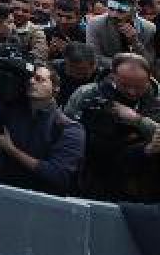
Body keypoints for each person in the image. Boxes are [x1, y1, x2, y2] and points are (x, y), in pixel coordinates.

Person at [63, 53, 160, 201]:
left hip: (142, 176)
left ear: (149, 80)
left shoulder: (156, 98)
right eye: (125, 85)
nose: (131, 92)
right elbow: (68, 132)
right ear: (113, 76)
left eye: (139, 87)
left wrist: (137, 120)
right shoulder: (86, 94)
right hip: (93, 171)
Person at [0, 63, 85, 196]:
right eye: (30, 78)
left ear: (56, 88)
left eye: (39, 79)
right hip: (3, 191)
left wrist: (12, 150)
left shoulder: (70, 128)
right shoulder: (8, 109)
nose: (32, 81)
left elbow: (59, 176)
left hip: (43, 200)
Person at [86, 0, 157, 67]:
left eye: (121, 11)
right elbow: (94, 57)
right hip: (107, 71)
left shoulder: (149, 28)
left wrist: (135, 42)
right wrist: (123, 66)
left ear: (133, 11)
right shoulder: (95, 24)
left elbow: (149, 61)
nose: (114, 15)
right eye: (111, 9)